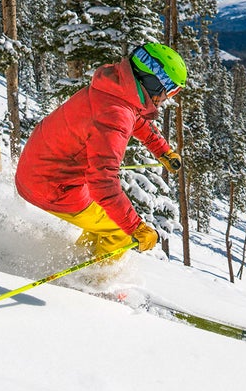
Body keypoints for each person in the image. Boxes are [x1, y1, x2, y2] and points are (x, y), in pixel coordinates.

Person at [15, 43, 186, 260]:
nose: (165, 99)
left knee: (106, 219)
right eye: (169, 91)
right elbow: (102, 182)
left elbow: (136, 120)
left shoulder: (114, 89)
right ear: (153, 82)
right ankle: (94, 285)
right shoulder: (115, 114)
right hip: (51, 185)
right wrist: (135, 227)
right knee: (120, 232)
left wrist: (163, 151)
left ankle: (82, 260)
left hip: (40, 165)